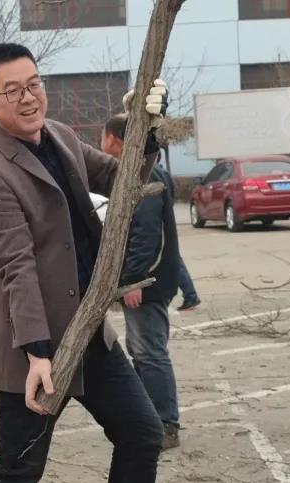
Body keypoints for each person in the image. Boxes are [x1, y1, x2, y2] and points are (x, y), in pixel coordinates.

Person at [0, 43, 168, 483]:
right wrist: (37, 353)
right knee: (18, 474)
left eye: (34, 84)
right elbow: (14, 270)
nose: (28, 98)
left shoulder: (59, 136)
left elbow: (122, 180)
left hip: (90, 330)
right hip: (36, 351)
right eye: (12, 91)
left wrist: (146, 133)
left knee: (143, 435)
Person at [101, 113, 183, 449]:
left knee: (150, 353)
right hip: (148, 280)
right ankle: (149, 421)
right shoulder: (136, 172)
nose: (101, 144)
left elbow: (147, 235)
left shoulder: (144, 176)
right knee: (142, 350)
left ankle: (165, 424)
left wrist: (134, 280)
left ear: (116, 139)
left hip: (147, 283)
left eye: (103, 137)